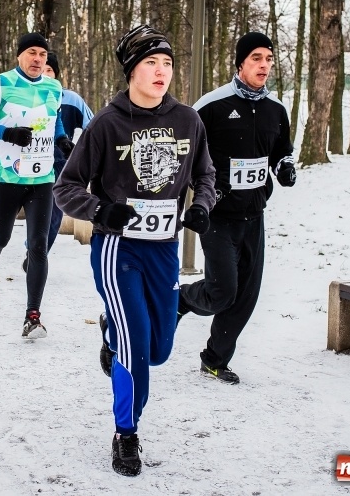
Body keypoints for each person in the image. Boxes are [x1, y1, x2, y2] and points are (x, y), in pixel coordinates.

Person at [53, 25, 216, 477]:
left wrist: (201, 207)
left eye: (166, 63)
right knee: (135, 350)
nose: (161, 71)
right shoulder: (107, 124)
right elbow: (64, 188)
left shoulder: (188, 120)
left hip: (162, 250)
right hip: (117, 250)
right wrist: (102, 211)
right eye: (150, 63)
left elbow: (206, 175)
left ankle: (111, 331)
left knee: (159, 350)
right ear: (131, 71)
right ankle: (126, 433)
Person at [178, 31, 296, 384]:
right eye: (257, 58)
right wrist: (202, 192)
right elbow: (186, 157)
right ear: (240, 62)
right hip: (218, 215)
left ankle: (215, 359)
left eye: (269, 59)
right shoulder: (211, 106)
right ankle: (180, 301)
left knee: (246, 296)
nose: (264, 65)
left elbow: (280, 153)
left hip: (254, 216)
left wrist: (285, 167)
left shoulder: (276, 110)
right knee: (222, 291)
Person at [0, 32, 70, 339]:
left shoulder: (54, 86)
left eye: (43, 54)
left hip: (41, 178)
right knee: (0, 237)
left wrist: (62, 139)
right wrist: (6, 134)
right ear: (19, 56)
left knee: (39, 246)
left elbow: (55, 120)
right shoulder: (0, 84)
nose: (38, 59)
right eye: (32, 53)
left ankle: (33, 315)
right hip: (5, 177)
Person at [20, 51, 94, 272]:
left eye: (49, 70)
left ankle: (36, 253)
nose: (45, 73)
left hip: (60, 164)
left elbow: (93, 127)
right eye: (41, 69)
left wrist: (81, 152)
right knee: (31, 209)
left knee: (55, 213)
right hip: (28, 163)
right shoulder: (23, 97)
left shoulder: (71, 99)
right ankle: (27, 243)